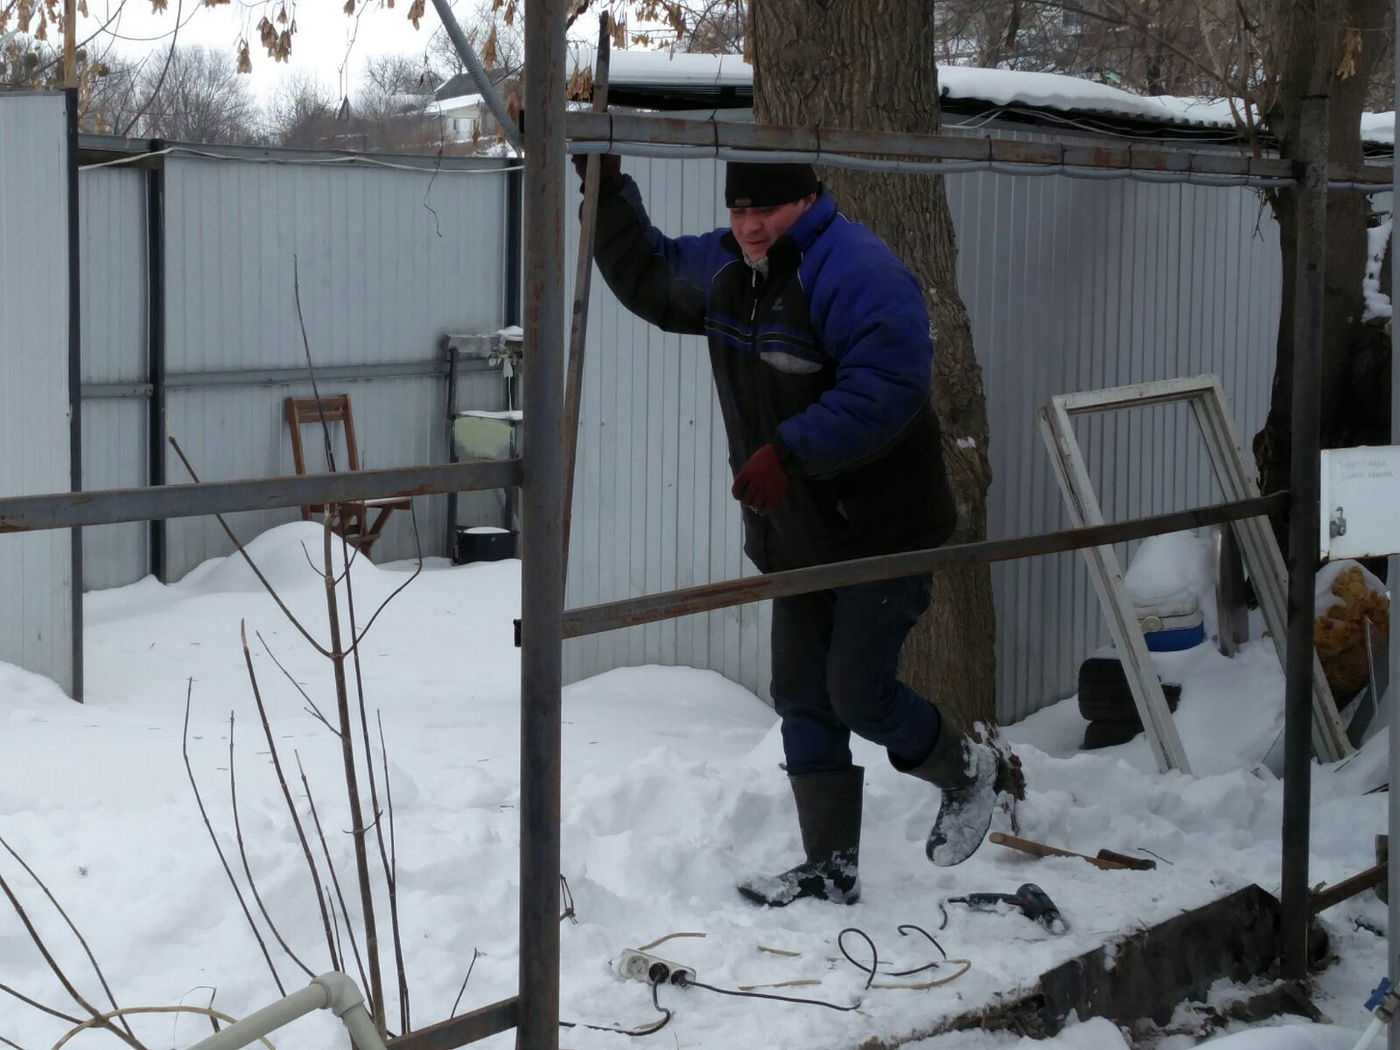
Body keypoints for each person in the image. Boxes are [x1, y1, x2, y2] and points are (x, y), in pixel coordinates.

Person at [577, 154, 1007, 906]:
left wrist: (792, 450)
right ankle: (830, 865)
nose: (748, 226)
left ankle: (967, 769)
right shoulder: (730, 265)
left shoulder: (858, 270)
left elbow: (889, 386)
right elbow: (650, 276)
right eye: (738, 210)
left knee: (858, 693)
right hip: (797, 528)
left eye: (765, 211)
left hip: (882, 527)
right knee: (802, 694)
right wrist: (607, 191)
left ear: (808, 199)